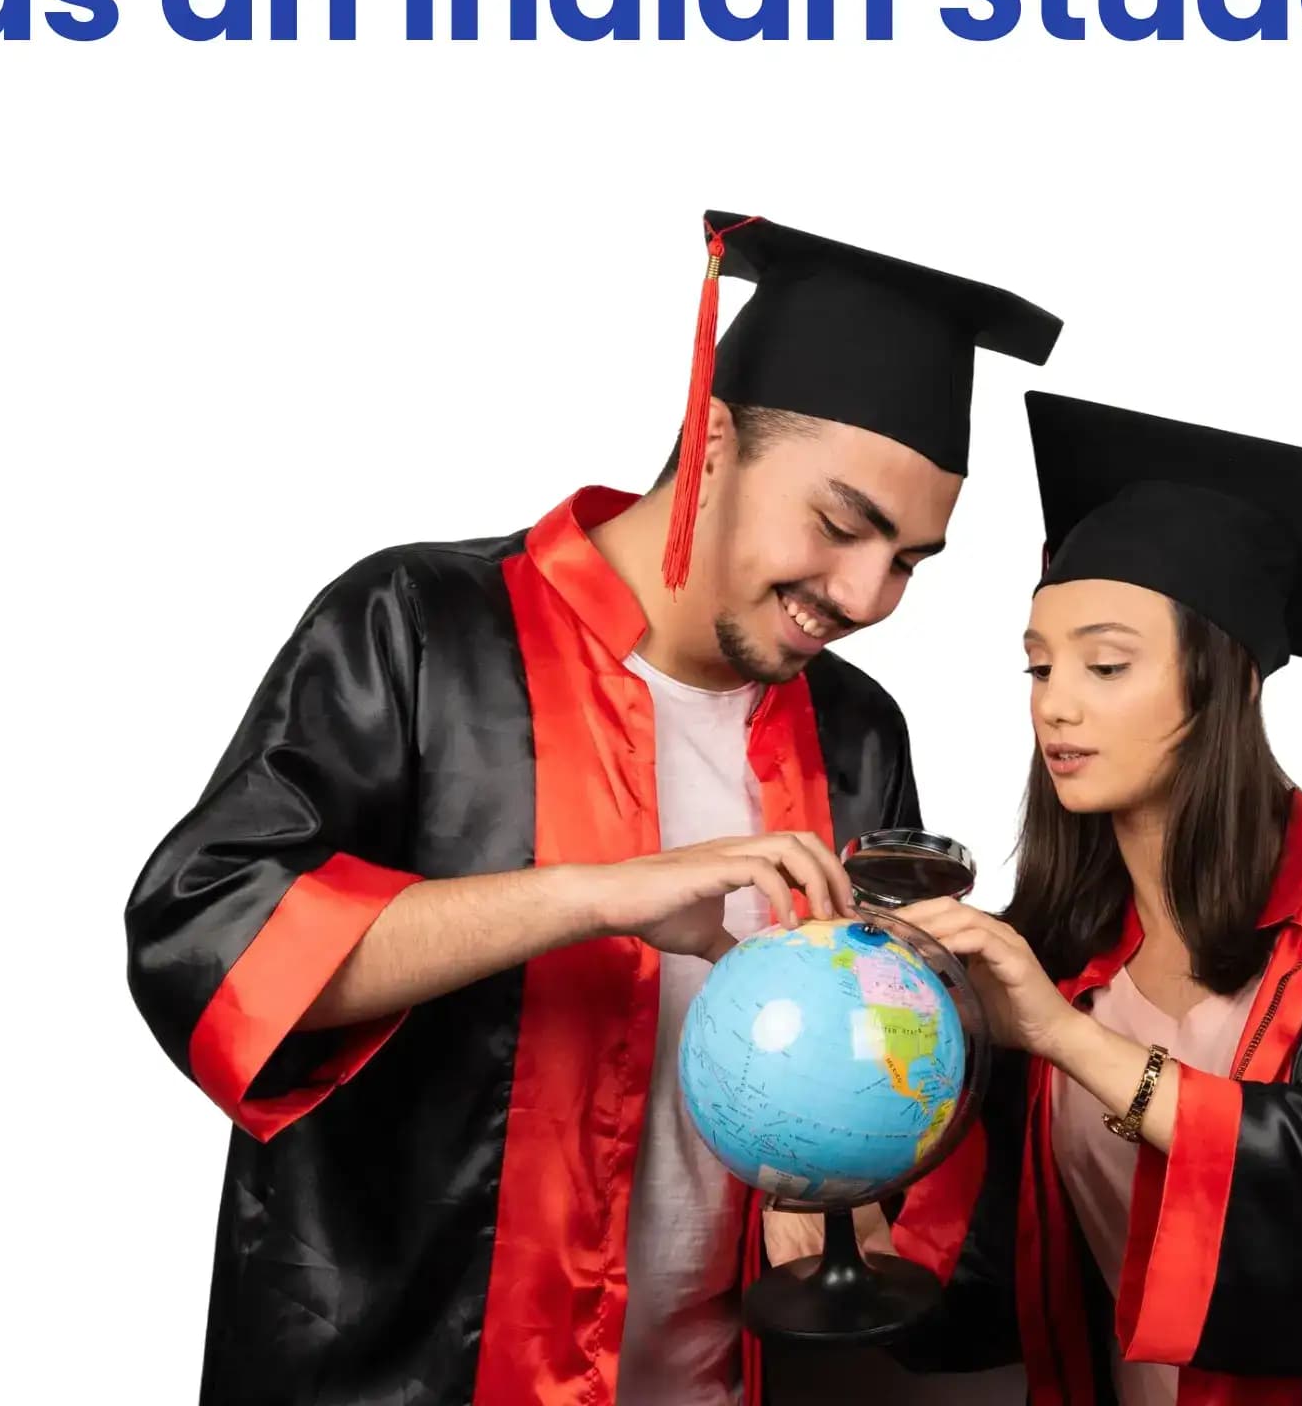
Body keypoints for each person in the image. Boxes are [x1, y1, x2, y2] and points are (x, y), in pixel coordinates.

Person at [125, 213, 1062, 1406]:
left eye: (911, 559)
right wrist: (601, 890)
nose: (866, 594)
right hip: (412, 1374)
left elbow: (867, 1052)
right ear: (712, 441)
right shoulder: (417, 627)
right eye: (839, 525)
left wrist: (845, 1189)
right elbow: (208, 943)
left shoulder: (855, 731)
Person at [884, 394, 1302, 1403]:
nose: (1054, 701)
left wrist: (1070, 1041)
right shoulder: (1056, 944)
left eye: (1105, 664)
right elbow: (988, 1265)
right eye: (1039, 664)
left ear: (1226, 682)